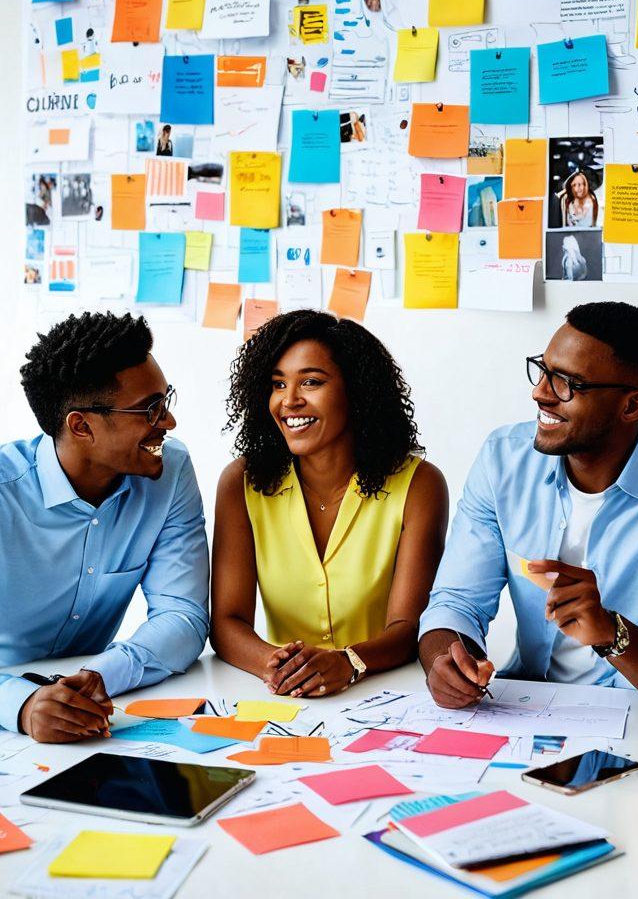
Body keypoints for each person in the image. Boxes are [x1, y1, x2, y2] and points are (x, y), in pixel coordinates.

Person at [419, 301, 638, 710]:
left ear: (632, 406)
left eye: (568, 383)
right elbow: (455, 602)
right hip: (525, 706)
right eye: (543, 370)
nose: (540, 392)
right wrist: (447, 660)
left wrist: (609, 630)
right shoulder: (504, 459)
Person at [211, 310, 448, 699]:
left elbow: (408, 627)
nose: (289, 401)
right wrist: (278, 666)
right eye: (277, 384)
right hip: (287, 701)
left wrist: (348, 662)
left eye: (311, 382)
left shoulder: (419, 485)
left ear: (356, 391)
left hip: (390, 696)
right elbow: (226, 621)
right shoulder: (242, 483)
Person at [0, 312, 209, 742]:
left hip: (89, 716)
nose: (168, 422)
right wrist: (20, 706)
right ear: (81, 426)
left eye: (165, 400)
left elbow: (182, 614)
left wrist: (100, 673)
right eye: (149, 409)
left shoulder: (170, 473)